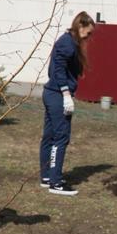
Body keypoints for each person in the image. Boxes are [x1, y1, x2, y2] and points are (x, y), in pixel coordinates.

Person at [39, 11, 94, 196]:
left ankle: (47, 176)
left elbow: (53, 69)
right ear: (80, 27)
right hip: (57, 95)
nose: (88, 37)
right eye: (88, 32)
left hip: (51, 93)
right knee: (61, 137)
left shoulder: (66, 41)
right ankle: (55, 183)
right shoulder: (68, 44)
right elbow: (59, 71)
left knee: (49, 136)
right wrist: (66, 94)